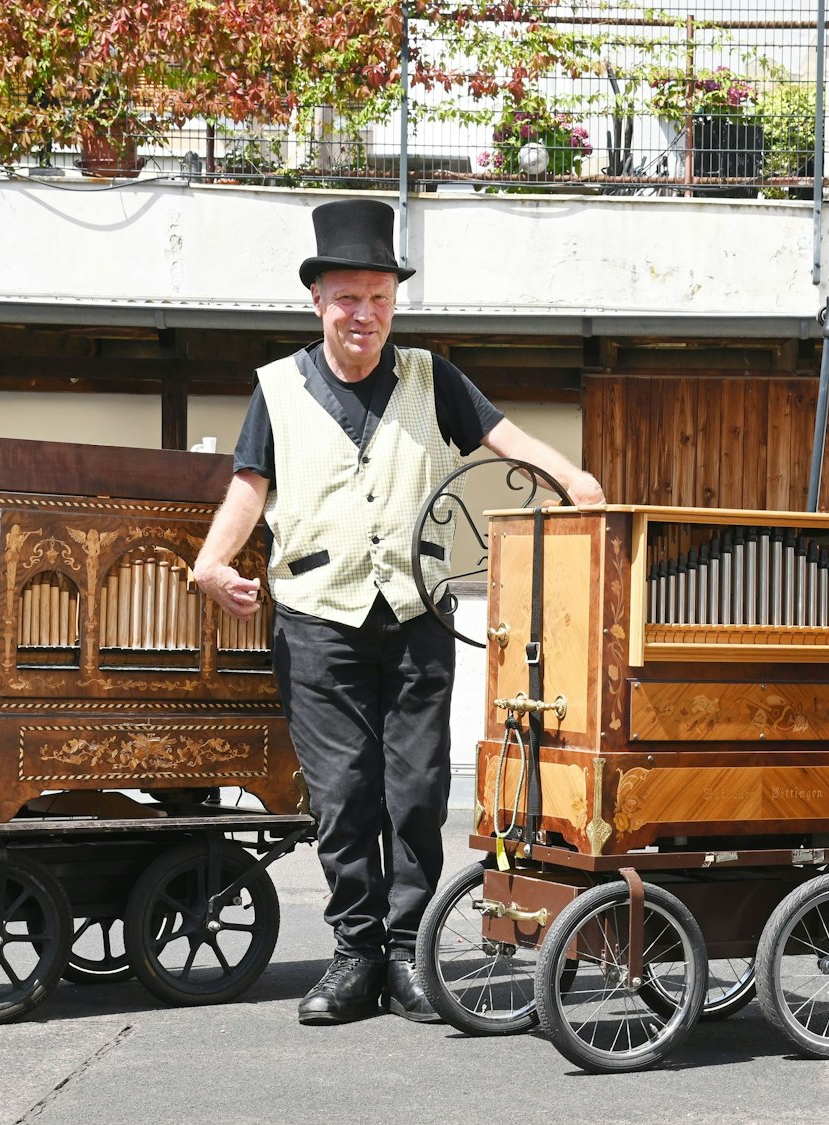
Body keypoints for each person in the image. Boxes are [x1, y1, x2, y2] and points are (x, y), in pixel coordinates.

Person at [193, 199, 602, 1026]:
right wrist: (210, 563)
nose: (365, 314)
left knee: (415, 792)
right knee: (344, 796)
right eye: (349, 298)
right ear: (318, 302)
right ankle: (354, 957)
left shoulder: (431, 376)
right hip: (315, 616)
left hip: (415, 612)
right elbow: (250, 484)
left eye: (379, 298)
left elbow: (505, 437)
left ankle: (411, 952)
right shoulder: (276, 387)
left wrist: (575, 479)